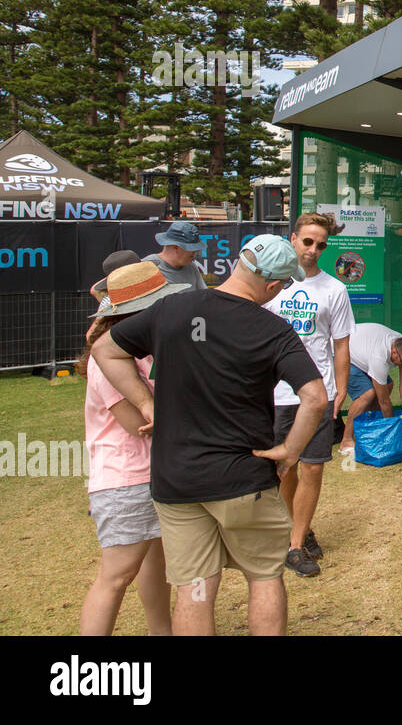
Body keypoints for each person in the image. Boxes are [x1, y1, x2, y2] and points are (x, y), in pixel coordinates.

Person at [92, 234, 327, 636]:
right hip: (243, 477)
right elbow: (316, 398)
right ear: (272, 286)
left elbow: (105, 349)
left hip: (176, 480)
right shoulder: (274, 329)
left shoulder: (172, 307)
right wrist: (289, 451)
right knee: (264, 578)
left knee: (194, 587)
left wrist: (147, 405)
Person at [78, 262, 191, 636]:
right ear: (135, 313)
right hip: (125, 480)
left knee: (153, 566)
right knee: (116, 575)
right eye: (157, 305)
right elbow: (137, 425)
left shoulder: (141, 352)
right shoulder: (108, 359)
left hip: (152, 473)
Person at [263, 213, 353, 578]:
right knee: (285, 469)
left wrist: (341, 388)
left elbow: (341, 344)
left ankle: (295, 545)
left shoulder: (334, 289)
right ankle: (299, 527)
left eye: (321, 245)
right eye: (308, 242)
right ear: (293, 238)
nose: (314, 250)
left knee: (314, 466)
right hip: (278, 393)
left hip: (317, 392)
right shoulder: (271, 285)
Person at [339, 324, 402, 455]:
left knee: (387, 386)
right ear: (394, 353)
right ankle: (346, 441)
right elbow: (384, 402)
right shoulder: (379, 358)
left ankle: (371, 429)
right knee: (367, 394)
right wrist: (393, 432)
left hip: (363, 352)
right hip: (343, 353)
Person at [144, 221, 208, 291]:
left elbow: (203, 295)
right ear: (175, 247)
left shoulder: (191, 267)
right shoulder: (146, 267)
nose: (195, 252)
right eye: (191, 249)